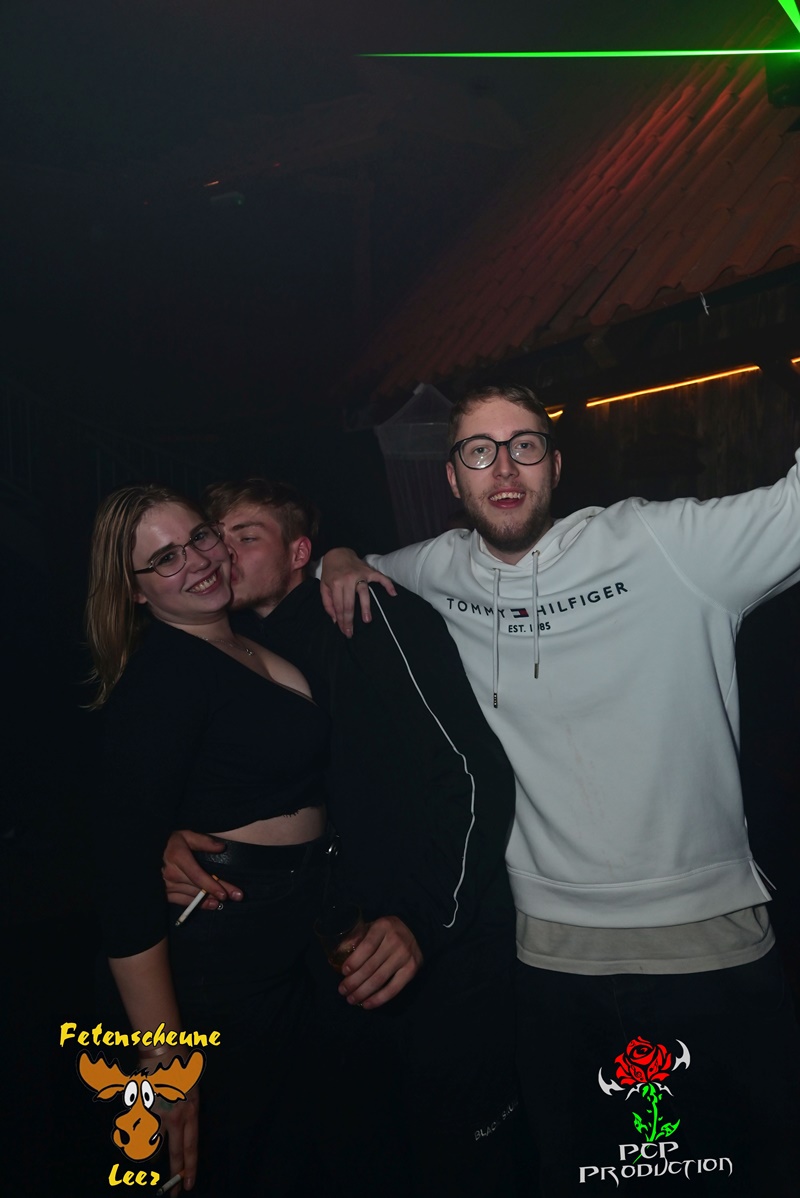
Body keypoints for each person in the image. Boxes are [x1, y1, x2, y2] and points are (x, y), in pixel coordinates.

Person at [320, 383, 800, 1196]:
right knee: (583, 1175)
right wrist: (336, 557)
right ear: (452, 477)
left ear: (556, 463)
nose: (504, 467)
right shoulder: (435, 570)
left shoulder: (663, 543)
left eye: (526, 446)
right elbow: (340, 575)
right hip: (548, 952)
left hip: (703, 938)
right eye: (480, 450)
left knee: (741, 1171)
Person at [161, 478, 526, 1198]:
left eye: (246, 537)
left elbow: (472, 775)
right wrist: (170, 835)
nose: (222, 553)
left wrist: (422, 919)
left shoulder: (364, 612)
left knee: (469, 1165)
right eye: (214, 537)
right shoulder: (235, 654)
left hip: (440, 954)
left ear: (300, 553)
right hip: (333, 964)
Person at [85, 484, 330, 1196]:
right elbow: (121, 877)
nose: (195, 560)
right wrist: (165, 1058)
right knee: (220, 1162)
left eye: (198, 537)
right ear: (135, 592)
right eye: (165, 558)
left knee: (290, 1153)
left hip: (290, 936)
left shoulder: (246, 642)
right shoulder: (161, 676)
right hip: (217, 953)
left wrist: (339, 558)